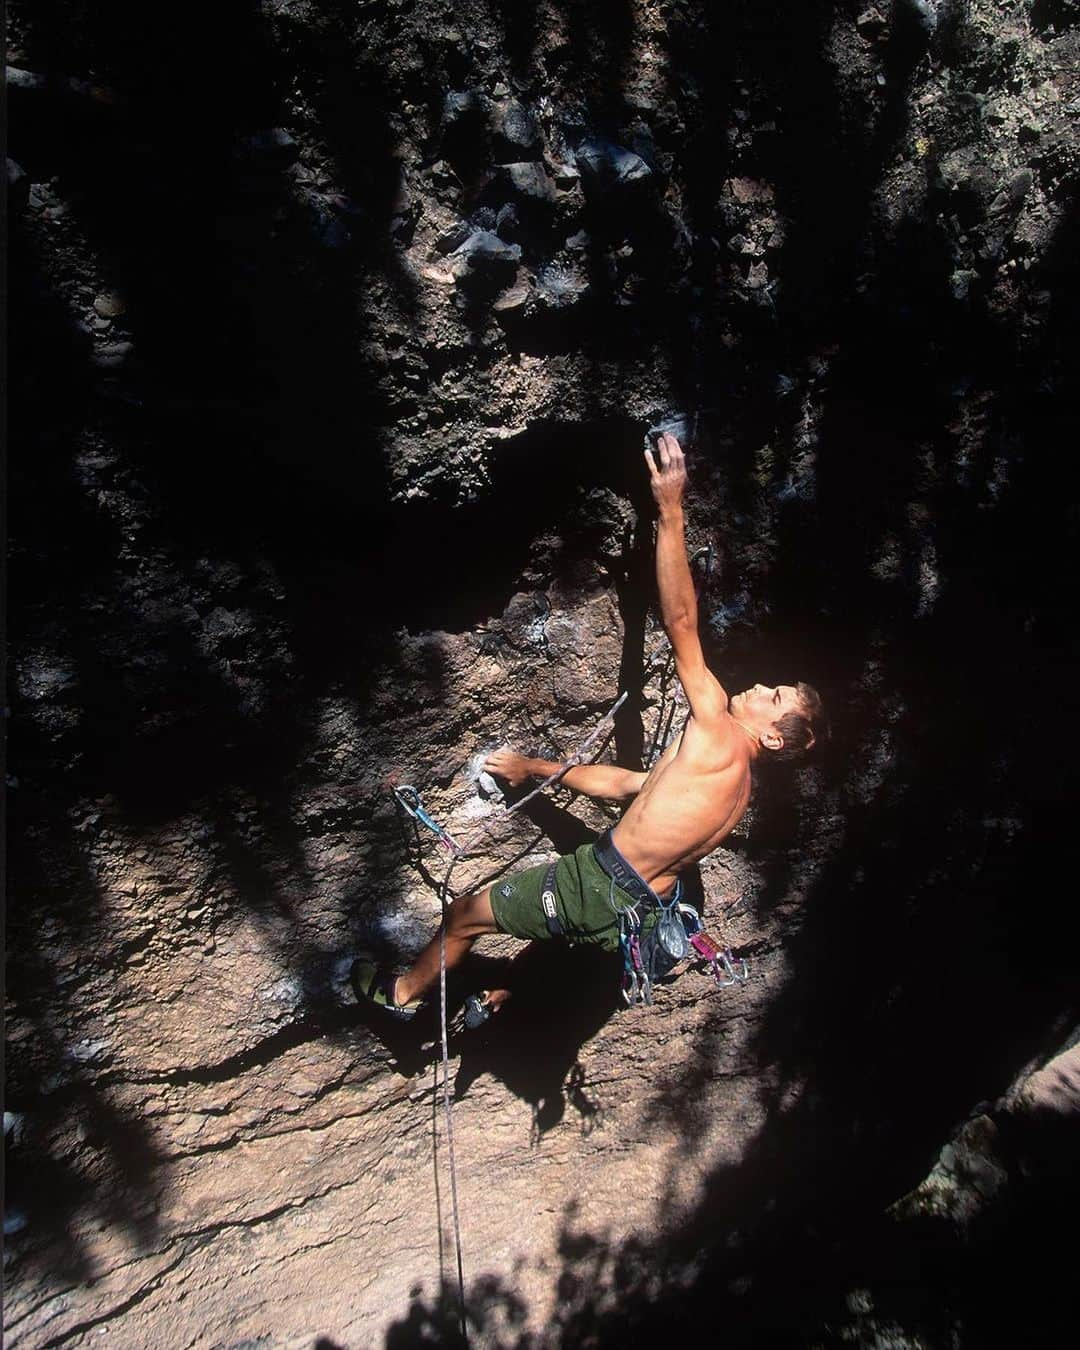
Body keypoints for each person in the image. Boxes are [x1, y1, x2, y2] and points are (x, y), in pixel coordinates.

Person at [352, 433, 823, 1018]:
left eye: (772, 696)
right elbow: (629, 785)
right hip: (641, 905)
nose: (757, 687)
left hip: (597, 887)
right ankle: (498, 998)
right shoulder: (733, 787)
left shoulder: (718, 725)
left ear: (772, 736)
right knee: (559, 926)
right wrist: (536, 771)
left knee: (464, 915)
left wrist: (671, 508)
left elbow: (680, 621)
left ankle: (398, 997)